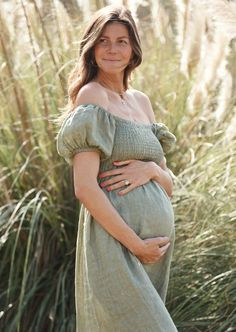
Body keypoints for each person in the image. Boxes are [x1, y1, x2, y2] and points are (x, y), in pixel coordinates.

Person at [56, 4, 178, 332]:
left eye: (121, 41)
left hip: (154, 250)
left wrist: (150, 171)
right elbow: (84, 188)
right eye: (104, 41)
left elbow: (168, 183)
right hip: (117, 246)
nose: (112, 49)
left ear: (133, 49)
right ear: (92, 48)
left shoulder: (142, 101)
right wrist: (135, 244)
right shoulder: (91, 96)